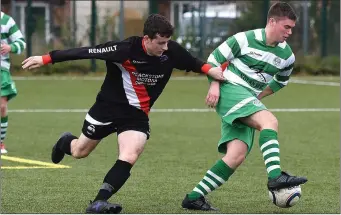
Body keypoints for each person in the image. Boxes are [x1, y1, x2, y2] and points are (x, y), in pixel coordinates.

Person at [21, 14, 224, 214]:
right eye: (160, 43)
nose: (165, 47)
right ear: (147, 39)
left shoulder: (171, 51)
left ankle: (99, 202)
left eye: (167, 42)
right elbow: (85, 52)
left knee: (130, 154)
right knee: (79, 152)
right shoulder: (124, 49)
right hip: (106, 109)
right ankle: (65, 142)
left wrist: (210, 71)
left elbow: (193, 62)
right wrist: (46, 58)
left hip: (136, 116)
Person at [181, 2, 308, 211]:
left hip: (246, 98)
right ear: (272, 21)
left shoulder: (287, 56)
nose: (290, 32)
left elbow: (281, 81)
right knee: (269, 121)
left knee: (236, 155)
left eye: (292, 28)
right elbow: (214, 59)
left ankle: (194, 197)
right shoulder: (243, 39)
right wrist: (214, 85)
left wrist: (257, 96)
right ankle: (275, 176)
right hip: (229, 88)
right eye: (286, 27)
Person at [1, 10, 26, 154]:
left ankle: (0, 142)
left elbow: (21, 43)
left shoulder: (6, 21)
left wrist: (10, 47)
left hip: (1, 70)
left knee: (2, 107)